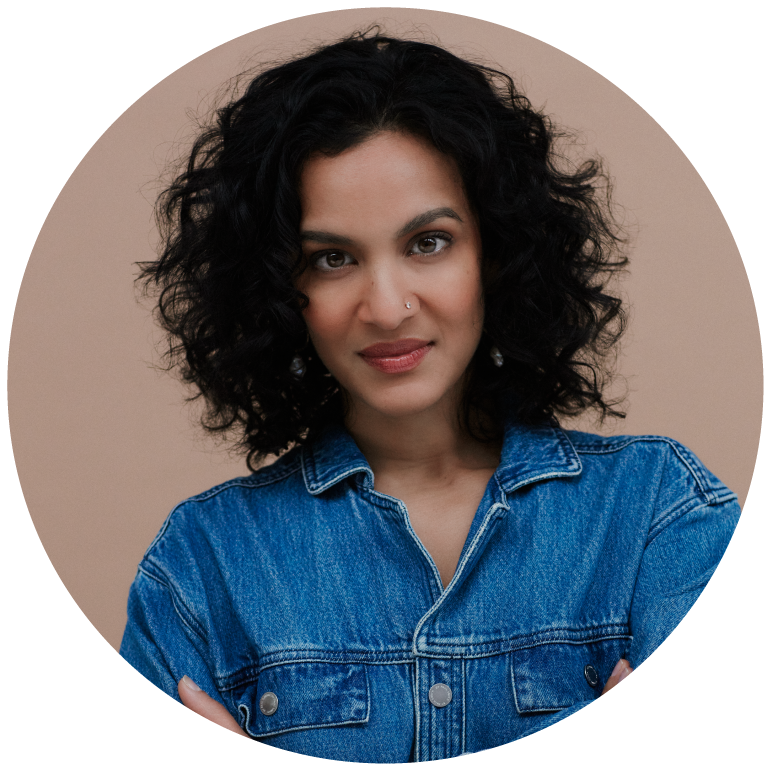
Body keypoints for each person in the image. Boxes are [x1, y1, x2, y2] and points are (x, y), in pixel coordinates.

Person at [121, 28, 740, 760]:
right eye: (332, 257)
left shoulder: (654, 517)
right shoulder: (201, 566)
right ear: (279, 291)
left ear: (498, 251)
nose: (384, 307)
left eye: (427, 242)